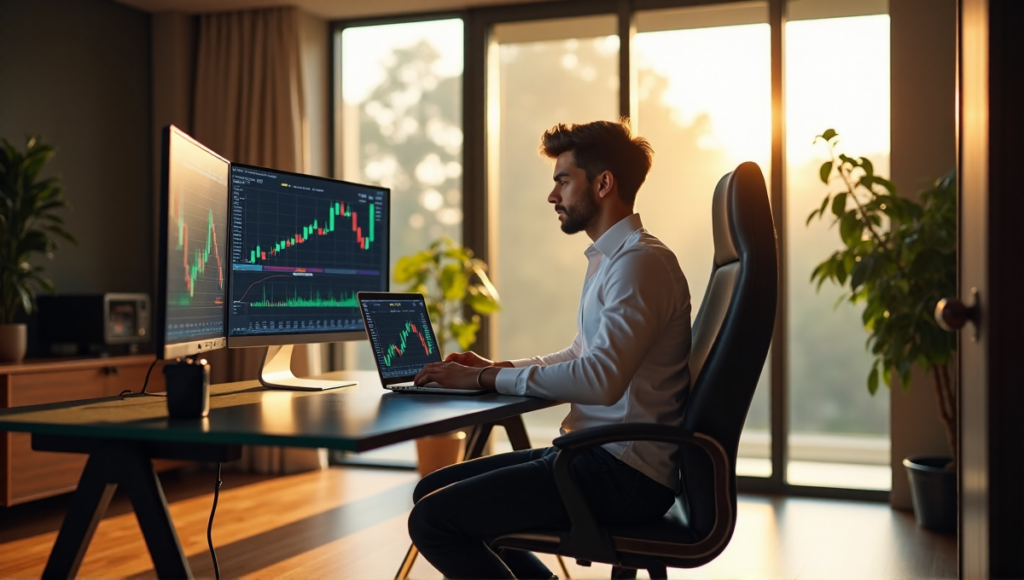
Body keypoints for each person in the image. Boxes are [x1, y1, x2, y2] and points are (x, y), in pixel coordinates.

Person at [408, 118, 692, 580]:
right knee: (432, 491)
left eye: (563, 180)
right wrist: (495, 367)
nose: (552, 195)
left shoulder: (640, 263)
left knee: (433, 521)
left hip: (622, 474)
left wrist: (484, 380)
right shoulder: (614, 260)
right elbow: (581, 354)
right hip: (598, 456)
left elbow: (600, 379)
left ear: (603, 183)